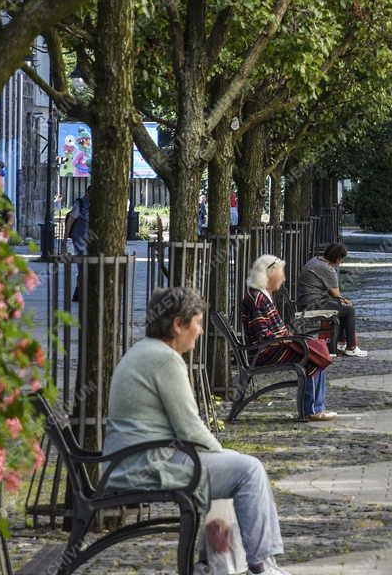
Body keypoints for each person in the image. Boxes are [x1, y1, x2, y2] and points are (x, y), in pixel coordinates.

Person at [103, 287, 292, 575]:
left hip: (136, 460)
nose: (201, 331)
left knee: (230, 466)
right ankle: (262, 564)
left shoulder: (144, 351)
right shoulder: (164, 359)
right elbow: (189, 426)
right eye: (198, 323)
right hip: (148, 465)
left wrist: (222, 456)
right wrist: (223, 454)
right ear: (178, 324)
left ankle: (218, 564)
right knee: (248, 470)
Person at [241, 255, 336, 420]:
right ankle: (312, 410)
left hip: (271, 347)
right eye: (281, 274)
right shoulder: (258, 298)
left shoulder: (261, 295)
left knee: (315, 351)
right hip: (264, 352)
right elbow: (263, 334)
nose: (284, 278)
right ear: (269, 275)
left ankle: (316, 407)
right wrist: (289, 339)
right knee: (312, 357)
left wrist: (291, 338)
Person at [298, 242, 366, 357]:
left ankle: (340, 343)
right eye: (342, 259)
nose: (342, 262)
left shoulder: (315, 260)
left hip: (305, 301)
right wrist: (345, 300)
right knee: (349, 310)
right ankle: (351, 347)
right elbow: (336, 294)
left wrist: (341, 300)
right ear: (337, 258)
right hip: (312, 304)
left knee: (343, 308)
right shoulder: (327, 269)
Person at [65, 185, 91, 302]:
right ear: (87, 193)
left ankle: (80, 291)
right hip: (80, 239)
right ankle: (79, 293)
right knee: (83, 265)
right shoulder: (80, 203)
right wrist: (64, 240)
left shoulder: (97, 205)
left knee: (87, 265)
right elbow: (70, 221)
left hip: (91, 240)